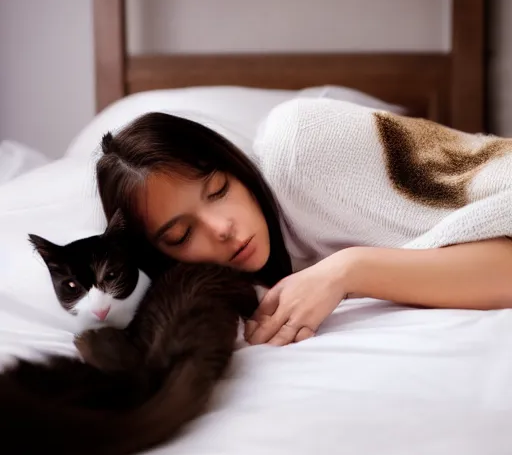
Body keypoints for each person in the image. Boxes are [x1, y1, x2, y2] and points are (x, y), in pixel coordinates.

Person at [95, 98, 512, 347]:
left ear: (233, 165)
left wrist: (348, 270)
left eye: (219, 189)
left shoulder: (302, 146)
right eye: (182, 234)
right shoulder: (241, 287)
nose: (220, 227)